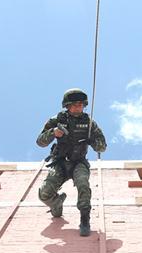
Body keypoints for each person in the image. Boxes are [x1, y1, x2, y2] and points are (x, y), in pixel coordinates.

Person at [36, 88, 107, 236]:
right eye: (75, 104)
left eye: (81, 104)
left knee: (83, 184)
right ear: (67, 106)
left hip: (78, 163)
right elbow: (40, 142)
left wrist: (92, 140)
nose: (78, 107)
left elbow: (102, 147)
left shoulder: (89, 123)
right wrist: (53, 132)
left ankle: (85, 218)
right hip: (60, 163)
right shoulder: (56, 120)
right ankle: (56, 204)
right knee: (44, 193)